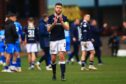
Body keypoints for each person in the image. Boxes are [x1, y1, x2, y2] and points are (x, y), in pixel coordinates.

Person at [47, 3, 69, 80]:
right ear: (54, 8)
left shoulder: (64, 17)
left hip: (61, 39)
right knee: (53, 59)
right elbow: (48, 29)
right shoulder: (50, 17)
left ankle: (63, 76)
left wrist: (62, 22)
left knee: (61, 56)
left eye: (60, 8)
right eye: (57, 7)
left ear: (61, 9)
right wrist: (54, 23)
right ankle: (54, 74)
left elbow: (67, 28)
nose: (58, 9)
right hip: (53, 40)